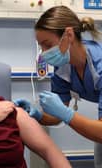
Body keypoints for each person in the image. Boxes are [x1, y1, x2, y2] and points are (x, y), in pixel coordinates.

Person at [14, 5, 102, 168]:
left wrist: (67, 114)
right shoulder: (64, 67)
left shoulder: (99, 65)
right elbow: (57, 114)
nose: (44, 53)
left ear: (68, 35)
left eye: (47, 45)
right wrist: (38, 115)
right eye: (41, 46)